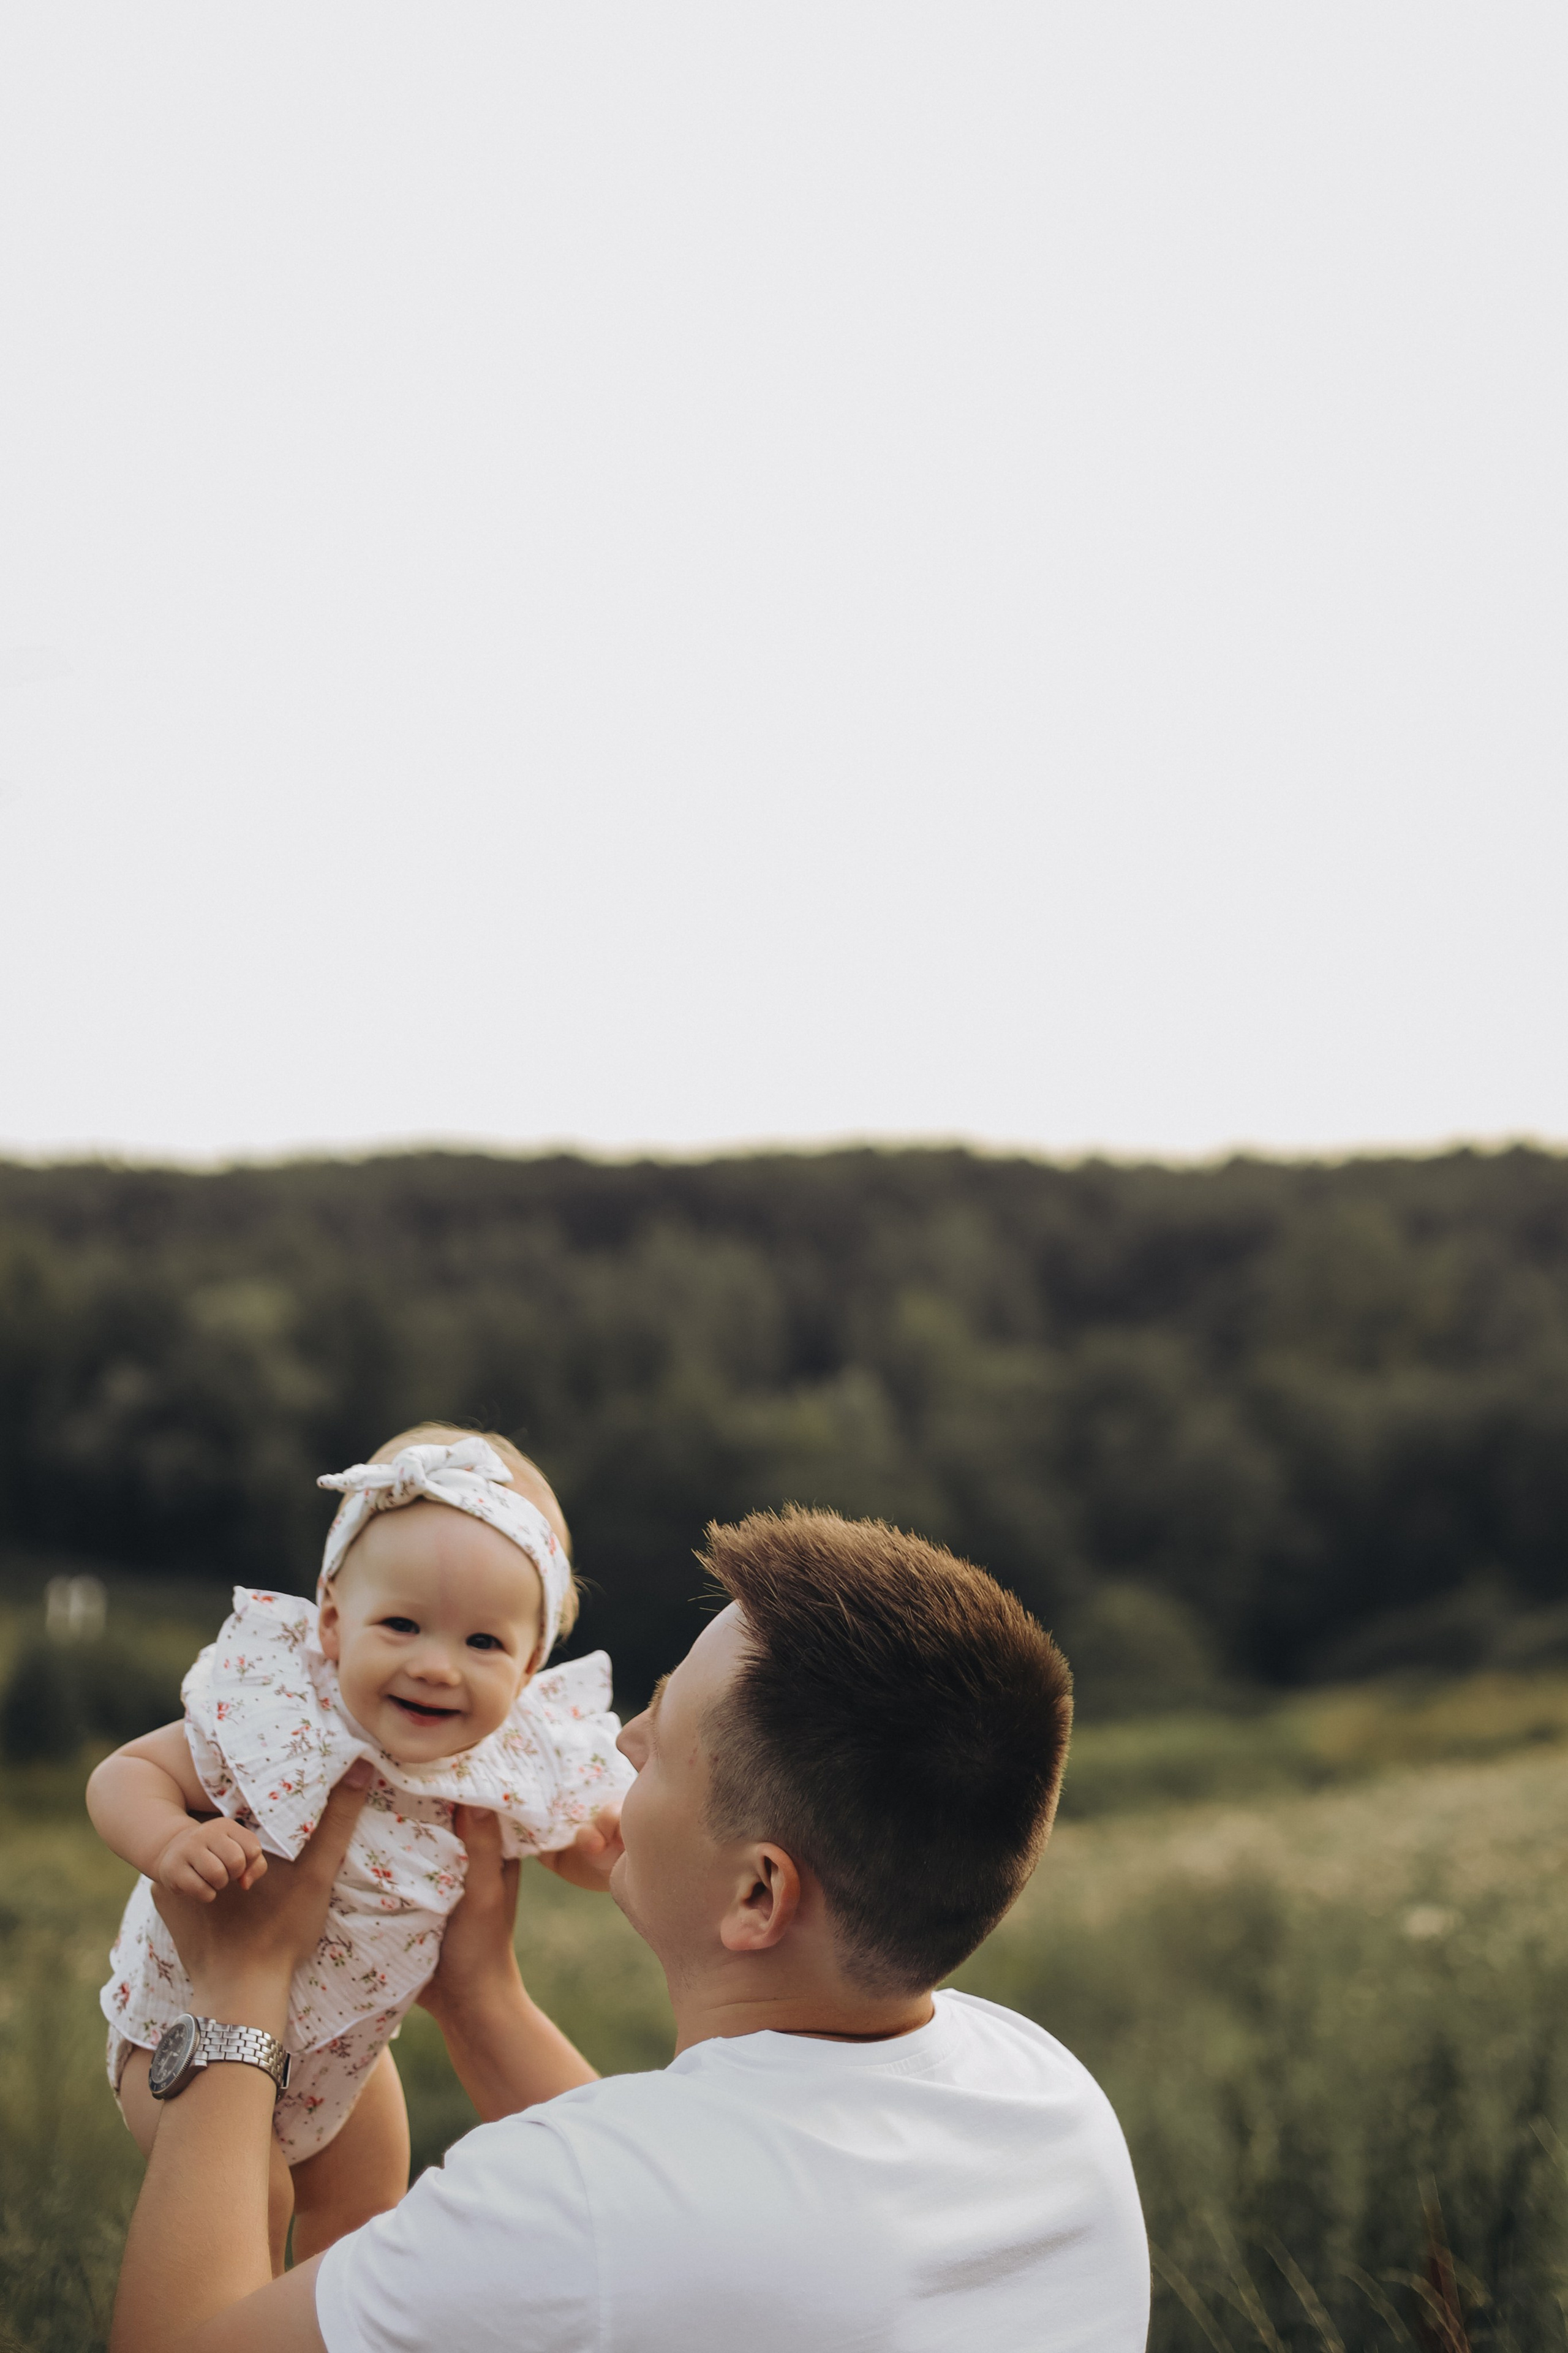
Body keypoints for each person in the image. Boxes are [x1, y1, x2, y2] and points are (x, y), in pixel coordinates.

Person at [110, 1507, 1151, 2353]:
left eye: (663, 1730)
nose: (622, 1738)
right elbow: (695, 2200)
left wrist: (242, 1986)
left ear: (758, 1896)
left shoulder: (565, 2214)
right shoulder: (1045, 2088)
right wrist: (481, 1995)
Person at [88, 1427, 631, 2265]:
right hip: (186, 2020)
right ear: (335, 1621)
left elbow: (566, 1842)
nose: (439, 1667)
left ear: (529, 1670)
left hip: (347, 2049)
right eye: (404, 1623)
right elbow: (125, 1772)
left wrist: (599, 1855)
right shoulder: (283, 1717)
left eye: (483, 1642)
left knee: (376, 2204)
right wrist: (171, 1841)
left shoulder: (504, 1762)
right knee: (254, 2193)